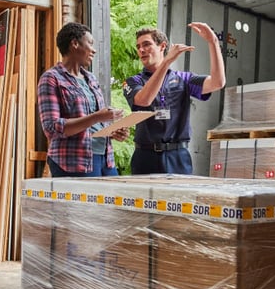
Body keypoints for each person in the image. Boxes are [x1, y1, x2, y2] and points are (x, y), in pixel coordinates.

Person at [123, 22, 226, 175]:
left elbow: (218, 82)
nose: (141, 50)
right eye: (138, 47)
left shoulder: (183, 78)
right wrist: (166, 62)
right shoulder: (133, 81)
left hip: (178, 156)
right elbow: (144, 100)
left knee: (179, 199)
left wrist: (213, 42)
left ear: (162, 46)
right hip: (145, 156)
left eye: (146, 44)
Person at [38, 22, 129, 178]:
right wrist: (98, 117)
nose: (94, 50)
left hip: (105, 159)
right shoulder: (51, 78)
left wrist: (112, 131)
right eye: (90, 44)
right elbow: (51, 127)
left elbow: (95, 123)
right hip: (73, 161)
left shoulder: (91, 79)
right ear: (74, 43)